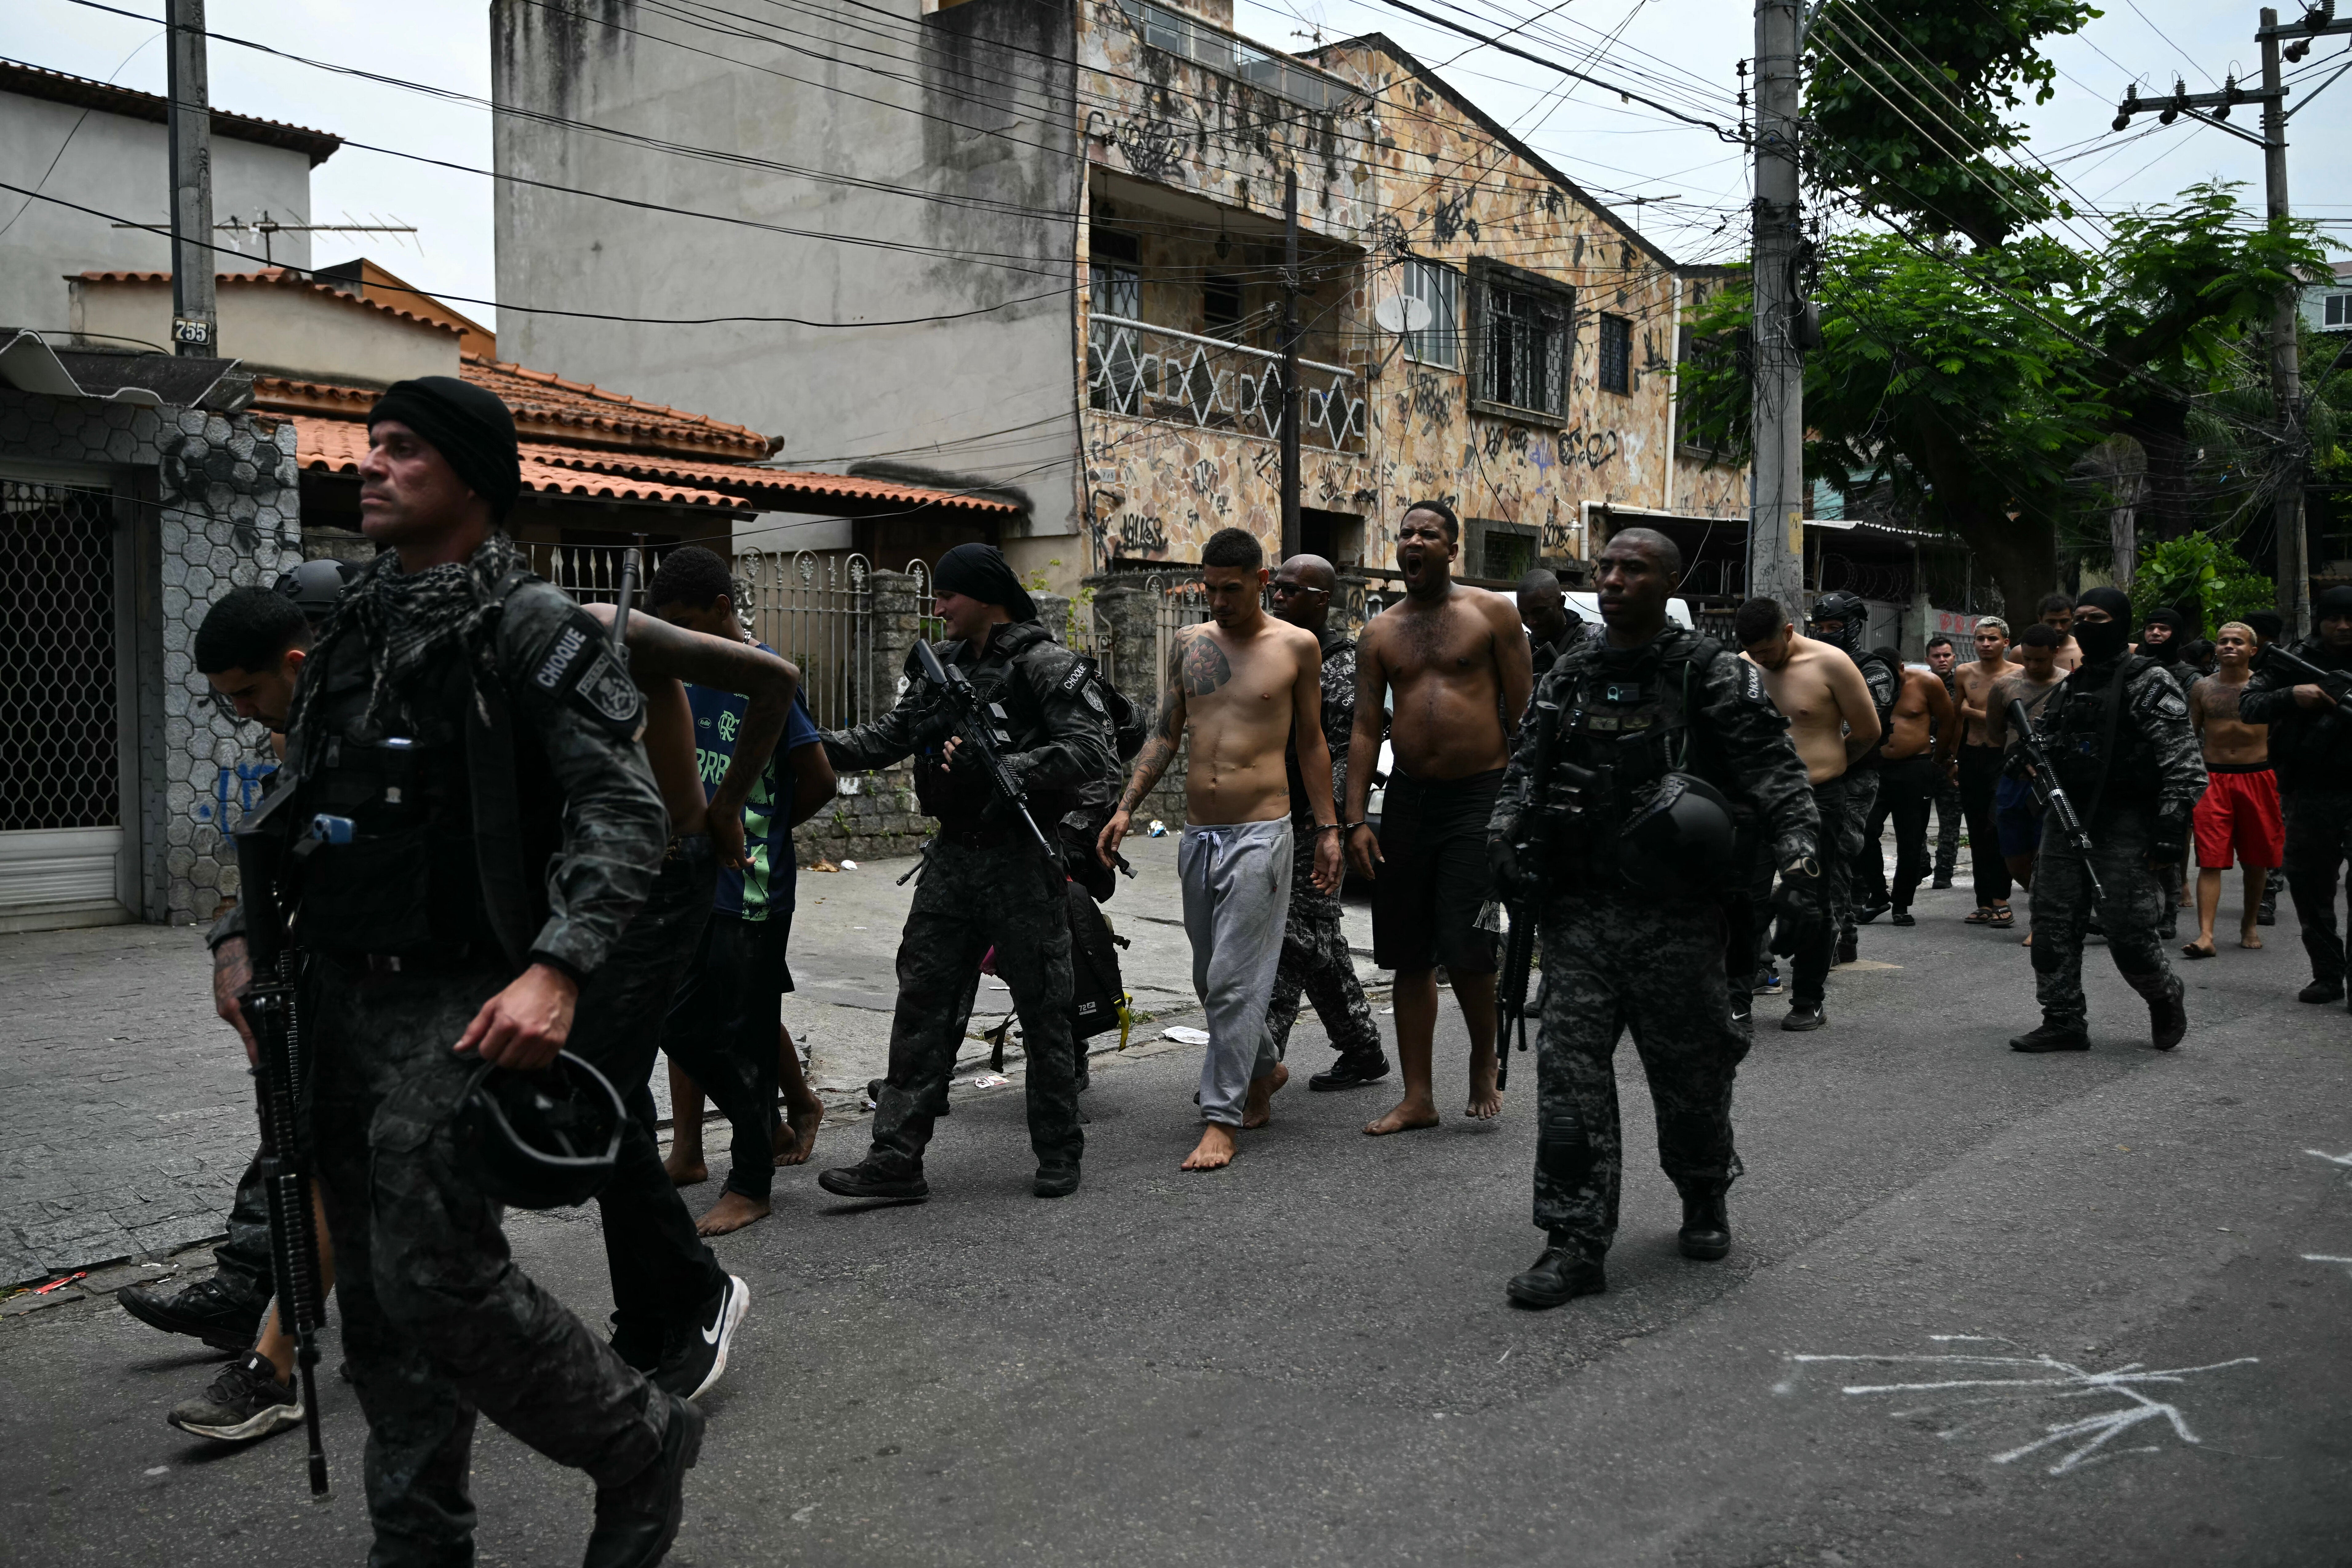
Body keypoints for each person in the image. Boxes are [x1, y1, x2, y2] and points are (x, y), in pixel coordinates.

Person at [222, 374, 699, 1564]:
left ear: (473, 479)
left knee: (438, 1276)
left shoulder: (529, 623)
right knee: (377, 1306)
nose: (371, 466)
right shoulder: (351, 622)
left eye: (402, 451)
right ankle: (420, 1542)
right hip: (336, 997)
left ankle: (637, 1436)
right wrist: (234, 940)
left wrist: (558, 967)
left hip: (467, 992)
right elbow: (297, 788)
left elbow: (622, 810)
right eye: (371, 447)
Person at [1490, 528, 1818, 1309]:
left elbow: (1777, 775)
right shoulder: (1569, 672)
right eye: (1604, 568)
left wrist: (1801, 858)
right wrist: (1501, 832)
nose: (1611, 580)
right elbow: (1523, 769)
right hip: (1579, 913)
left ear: (1668, 581)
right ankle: (1573, 1240)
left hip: (1677, 917)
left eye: (1631, 569)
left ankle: (1704, 1191)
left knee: (1692, 1079)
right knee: (1569, 1081)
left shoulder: (1707, 671)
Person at [816, 543, 1112, 1202]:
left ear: (984, 595)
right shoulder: (941, 668)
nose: (938, 606)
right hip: (953, 859)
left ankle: (1059, 1150)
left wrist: (1010, 766)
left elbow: (1094, 749)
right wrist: (809, 740)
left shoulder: (1046, 664)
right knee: (922, 1002)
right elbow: (890, 736)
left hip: (1021, 859)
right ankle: (895, 1160)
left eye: (948, 594)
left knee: (1044, 1010)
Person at [142, 586, 339, 1444]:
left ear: (297, 663)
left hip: (456, 983)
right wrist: (234, 942)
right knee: (318, 1149)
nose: (245, 717)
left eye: (248, 694)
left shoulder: (389, 715)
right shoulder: (304, 734)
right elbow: (274, 847)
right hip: (351, 977)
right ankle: (273, 1344)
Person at [1099, 529, 1342, 1169]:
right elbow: (1165, 733)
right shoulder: (1190, 644)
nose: (1217, 600)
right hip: (1199, 833)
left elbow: (1312, 744)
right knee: (1210, 978)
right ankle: (1263, 1067)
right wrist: (1127, 806)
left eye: (1230, 589)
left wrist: (1328, 829)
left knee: (1234, 980)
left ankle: (1221, 1116)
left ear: (1261, 582)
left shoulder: (1296, 646)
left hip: (1263, 832)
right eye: (1208, 588)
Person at [645, 547, 834, 1235]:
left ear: (723, 610)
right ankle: (768, 1121)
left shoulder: (764, 676)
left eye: (690, 622)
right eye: (668, 625)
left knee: (746, 1032)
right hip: (688, 884)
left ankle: (751, 1180)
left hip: (751, 889)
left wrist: (761, 835)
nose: (680, 636)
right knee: (674, 1019)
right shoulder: (678, 677)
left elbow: (817, 780)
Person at [1342, 500, 1533, 1132]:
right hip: (1407, 800)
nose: (1413, 541)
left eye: (1428, 533)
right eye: (1405, 533)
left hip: (1478, 795)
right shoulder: (1380, 632)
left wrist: (1522, 806)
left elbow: (1524, 715)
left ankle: (1483, 1058)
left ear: (1452, 549)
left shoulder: (1492, 614)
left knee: (1468, 942)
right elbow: (1366, 726)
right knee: (1406, 951)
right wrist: (1353, 819)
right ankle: (1417, 1095)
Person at [2009, 586, 2203, 1053]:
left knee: (2128, 931)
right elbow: (2047, 742)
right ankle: (2062, 1020)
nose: (2080, 627)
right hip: (2066, 818)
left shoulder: (2147, 679)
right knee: (2051, 925)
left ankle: (2163, 994)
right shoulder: (2072, 683)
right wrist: (2024, 758)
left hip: (2125, 823)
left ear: (2120, 623)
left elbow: (2184, 764)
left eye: (2094, 618)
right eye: (2077, 618)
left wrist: (2168, 828)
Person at [1264, 551, 1389, 1091]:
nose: (1277, 596)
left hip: (1316, 826)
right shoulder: (1273, 651)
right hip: (1267, 818)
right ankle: (1363, 1050)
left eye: (1291, 590)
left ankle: (1255, 1068)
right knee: (1318, 939)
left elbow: (1350, 754)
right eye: (1276, 586)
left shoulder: (1341, 665)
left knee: (1294, 939)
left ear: (1321, 600)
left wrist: (1328, 826)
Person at [1735, 597, 1880, 1031]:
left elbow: (1868, 731)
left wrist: (1826, 766)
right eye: (1753, 653)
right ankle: (1736, 997)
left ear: (1786, 632)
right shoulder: (1740, 668)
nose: (1761, 660)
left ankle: (1807, 999)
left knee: (1810, 901)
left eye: (1767, 651)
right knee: (1744, 900)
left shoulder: (1830, 663)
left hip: (1817, 797)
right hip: (1757, 800)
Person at [2238, 586, 2352, 1005]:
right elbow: (2248, 704)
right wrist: (2292, 695)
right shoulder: (2296, 659)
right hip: (2309, 789)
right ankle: (2326, 973)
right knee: (2308, 885)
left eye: (2349, 619)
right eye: (2332, 619)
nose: (2341, 627)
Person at [1802, 594, 1896, 962]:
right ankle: (1846, 935)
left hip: (1856, 774)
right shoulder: (1810, 666)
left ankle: (1826, 940)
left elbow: (1864, 727)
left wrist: (1833, 761)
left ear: (1854, 627)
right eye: (1821, 629)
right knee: (1813, 854)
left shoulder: (1873, 668)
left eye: (1835, 628)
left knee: (1839, 850)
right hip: (1814, 776)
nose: (1827, 635)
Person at [2182, 622, 2281, 961]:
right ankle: (2206, 935)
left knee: (2256, 858)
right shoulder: (2202, 687)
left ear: (2253, 650)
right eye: (2223, 641)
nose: (2229, 646)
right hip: (2213, 778)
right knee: (2210, 858)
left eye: (2237, 642)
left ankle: (2249, 924)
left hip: (2258, 776)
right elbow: (2188, 735)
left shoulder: (2267, 687)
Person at [1847, 643, 1958, 926]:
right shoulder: (1863, 683)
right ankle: (1878, 895)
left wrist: (1940, 761)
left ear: (1902, 669)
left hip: (1915, 769)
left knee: (1910, 838)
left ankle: (1901, 904)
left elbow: (1949, 720)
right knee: (1864, 832)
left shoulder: (1927, 683)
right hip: (1874, 767)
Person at [1981, 623, 2068, 896]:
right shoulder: (2005, 686)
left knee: (2049, 850)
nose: (2032, 665)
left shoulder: (2070, 685)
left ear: (2055, 652)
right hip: (2015, 777)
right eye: (2027, 659)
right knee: (2014, 854)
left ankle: (2044, 914)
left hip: (2055, 778)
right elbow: (1994, 732)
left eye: (2039, 660)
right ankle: (2040, 904)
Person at [1951, 617, 2020, 928]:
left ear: (2006, 642)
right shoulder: (1965, 673)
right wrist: (1951, 758)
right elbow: (1956, 720)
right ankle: (1984, 902)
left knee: (1997, 826)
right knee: (1977, 829)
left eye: (1992, 639)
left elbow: (2011, 722)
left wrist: (1971, 711)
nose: (1985, 644)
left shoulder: (2018, 675)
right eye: (1980, 639)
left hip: (2003, 756)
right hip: (1971, 757)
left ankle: (2001, 898)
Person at [2245, 610, 2286, 926]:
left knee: (2272, 832)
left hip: (2278, 761)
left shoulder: (2284, 666)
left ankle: (2267, 896)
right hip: (2245, 764)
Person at [1925, 635, 1964, 889]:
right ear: (1927, 658)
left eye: (1946, 655)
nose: (1942, 660)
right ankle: (1921, 865)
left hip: (1951, 762)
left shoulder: (1962, 686)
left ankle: (1943, 873)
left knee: (1950, 824)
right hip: (1922, 763)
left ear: (1954, 658)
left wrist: (1956, 759)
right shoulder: (1918, 685)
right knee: (1914, 821)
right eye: (1937, 656)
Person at [1518, 567, 1582, 679]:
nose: (1532, 621)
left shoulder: (1590, 642)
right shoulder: (1521, 648)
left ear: (1561, 603)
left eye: (1539, 612)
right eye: (1523, 613)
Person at [2036, 592, 2084, 674]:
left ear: (2072, 618)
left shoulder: (2083, 651)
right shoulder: (2022, 653)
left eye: (2064, 621)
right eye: (2051, 622)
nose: (2058, 628)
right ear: (2040, 619)